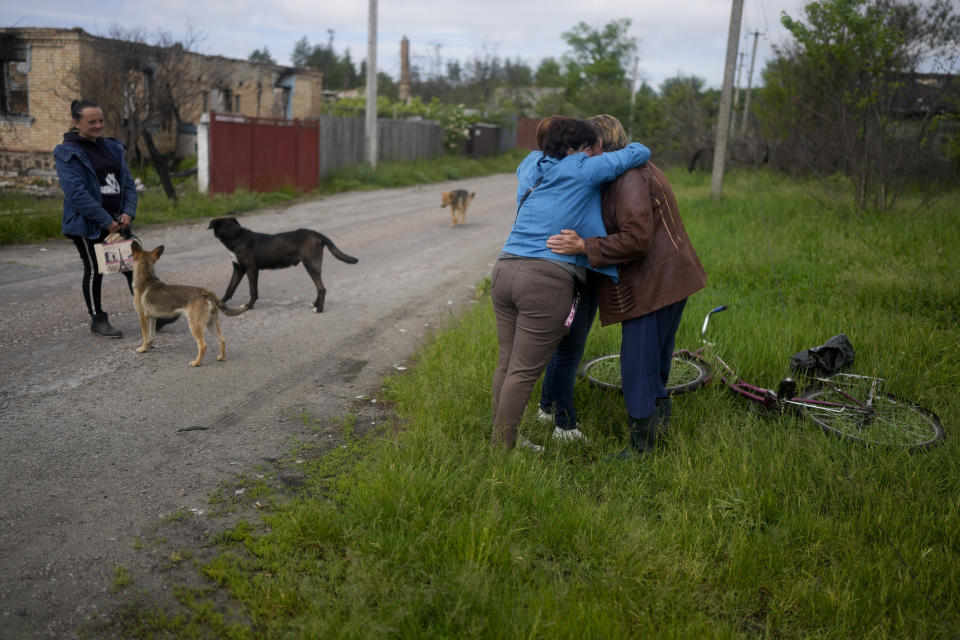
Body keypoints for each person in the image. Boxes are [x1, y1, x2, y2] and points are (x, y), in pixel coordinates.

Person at [546, 115, 707, 457]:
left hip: (653, 283)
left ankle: (642, 446)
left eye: (585, 149)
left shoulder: (628, 178)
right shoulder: (639, 169)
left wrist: (584, 247)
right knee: (655, 358)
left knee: (637, 364)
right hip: (669, 278)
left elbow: (637, 239)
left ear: (599, 146)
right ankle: (658, 430)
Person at [490, 117, 651, 449]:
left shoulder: (530, 162)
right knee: (522, 371)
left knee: (507, 362)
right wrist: (597, 154)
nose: (594, 152)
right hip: (545, 279)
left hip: (505, 269)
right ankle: (502, 447)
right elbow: (639, 151)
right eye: (590, 147)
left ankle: (505, 437)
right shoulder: (583, 167)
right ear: (575, 150)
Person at [54, 99, 175, 337]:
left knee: (134, 267)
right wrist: (104, 220)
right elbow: (75, 192)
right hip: (88, 223)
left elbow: (127, 182)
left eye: (101, 120)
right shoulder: (67, 153)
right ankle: (98, 320)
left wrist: (128, 212)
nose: (99, 125)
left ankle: (153, 315)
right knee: (94, 269)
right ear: (76, 122)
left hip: (118, 220)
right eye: (92, 122)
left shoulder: (112, 147)